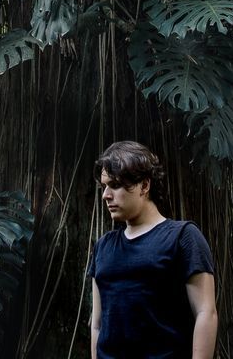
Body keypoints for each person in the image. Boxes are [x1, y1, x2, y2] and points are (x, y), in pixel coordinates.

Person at [89, 140, 218, 359]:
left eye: (115, 185)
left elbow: (206, 313)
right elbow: (97, 324)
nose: (106, 195)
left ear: (145, 186)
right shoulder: (103, 246)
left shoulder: (183, 236)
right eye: (104, 187)